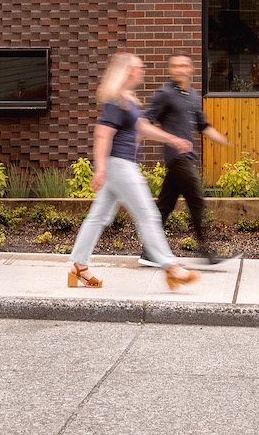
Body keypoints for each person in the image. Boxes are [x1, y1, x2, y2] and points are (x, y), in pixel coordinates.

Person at [67, 51, 200, 290]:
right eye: (139, 67)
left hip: (119, 165)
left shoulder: (126, 100)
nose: (142, 71)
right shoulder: (115, 101)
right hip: (119, 165)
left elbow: (143, 128)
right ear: (128, 71)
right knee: (147, 214)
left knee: (98, 217)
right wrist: (100, 169)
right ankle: (171, 268)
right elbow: (102, 135)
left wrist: (173, 139)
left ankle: (78, 266)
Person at [145, 54, 228, 265]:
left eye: (184, 65)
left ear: (190, 68)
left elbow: (202, 125)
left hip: (187, 157)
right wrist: (168, 138)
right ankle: (206, 252)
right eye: (176, 66)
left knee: (165, 206)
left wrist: (221, 138)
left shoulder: (193, 95)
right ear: (171, 70)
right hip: (176, 157)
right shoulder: (163, 94)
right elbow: (146, 121)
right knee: (196, 201)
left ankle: (148, 253)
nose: (180, 69)